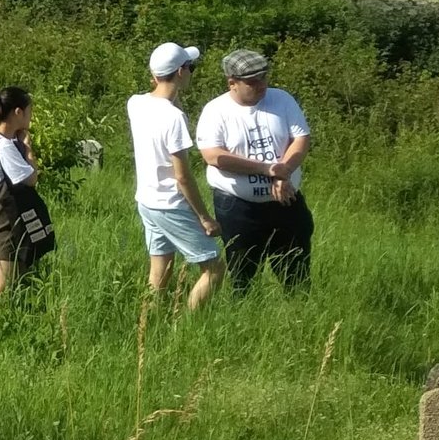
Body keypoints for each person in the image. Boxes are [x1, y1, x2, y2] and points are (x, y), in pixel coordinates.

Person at [195, 50, 313, 291]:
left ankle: (298, 311)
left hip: (286, 201)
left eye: (264, 78)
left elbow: (300, 139)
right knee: (242, 275)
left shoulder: (282, 99)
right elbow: (213, 156)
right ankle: (245, 311)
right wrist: (269, 170)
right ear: (232, 83)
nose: (261, 85)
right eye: (252, 81)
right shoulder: (216, 110)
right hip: (238, 206)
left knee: (296, 272)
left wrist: (284, 172)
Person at [127, 43, 224, 311]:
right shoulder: (174, 118)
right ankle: (189, 326)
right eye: (190, 67)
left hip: (147, 201)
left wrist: (170, 90)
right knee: (214, 268)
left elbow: (164, 103)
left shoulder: (135, 103)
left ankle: (149, 323)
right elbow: (182, 177)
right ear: (180, 72)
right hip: (171, 204)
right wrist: (204, 217)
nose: (192, 72)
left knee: (159, 272)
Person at [0, 87, 52, 301]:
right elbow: (30, 178)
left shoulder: (0, 141)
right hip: (3, 223)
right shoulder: (2, 144)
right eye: (29, 111)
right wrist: (28, 149)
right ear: (18, 112)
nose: (31, 116)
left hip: (10, 222)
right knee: (0, 291)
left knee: (15, 286)